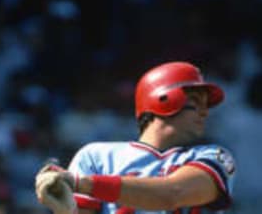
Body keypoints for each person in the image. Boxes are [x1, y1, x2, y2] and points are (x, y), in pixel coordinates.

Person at [35, 61, 236, 214]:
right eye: (196, 102)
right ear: (164, 99)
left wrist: (80, 183)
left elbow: (172, 194)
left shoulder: (216, 156)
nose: (205, 112)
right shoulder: (95, 156)